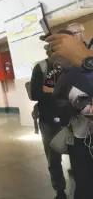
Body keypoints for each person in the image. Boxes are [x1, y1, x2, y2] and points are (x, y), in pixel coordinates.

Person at [45, 32, 93, 199]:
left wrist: (86, 62)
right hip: (80, 141)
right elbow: (58, 100)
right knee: (84, 185)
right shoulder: (66, 75)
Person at [29, 56, 66, 199]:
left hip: (73, 118)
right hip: (49, 119)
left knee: (79, 153)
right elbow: (34, 94)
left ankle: (78, 179)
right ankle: (60, 189)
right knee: (53, 157)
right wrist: (57, 90)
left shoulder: (73, 63)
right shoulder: (42, 67)